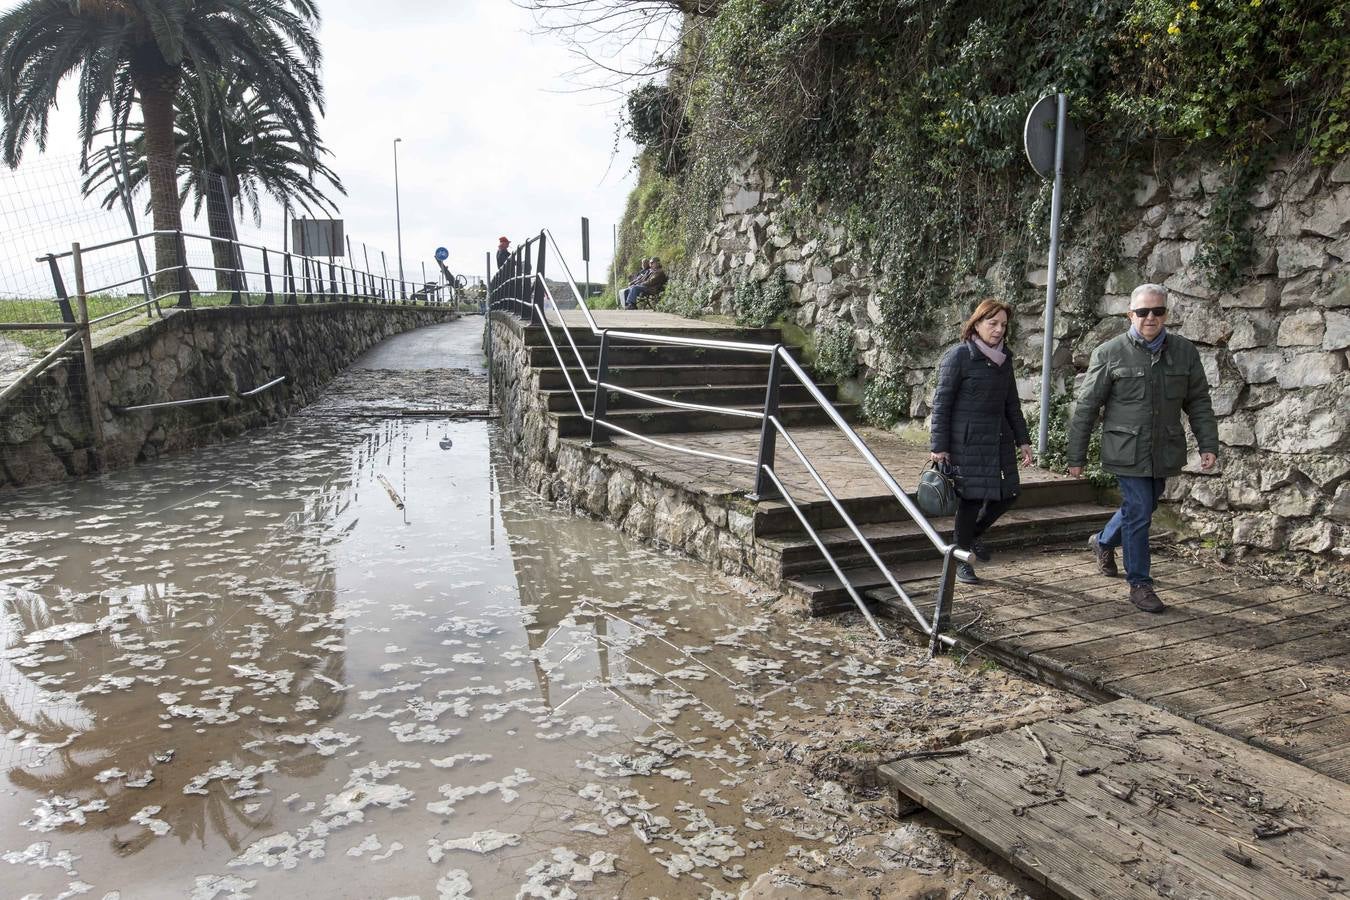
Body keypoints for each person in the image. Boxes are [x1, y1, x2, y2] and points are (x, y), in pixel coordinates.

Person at [1067, 282, 1218, 613]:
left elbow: (1199, 402)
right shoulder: (1109, 353)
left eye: (1158, 311)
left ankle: (1104, 541)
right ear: (1129, 314)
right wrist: (1075, 457)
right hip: (1125, 450)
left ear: (1165, 314)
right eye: (1143, 311)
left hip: (1163, 449)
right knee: (1138, 511)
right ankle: (1140, 584)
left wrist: (1208, 443)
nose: (1150, 317)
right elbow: (1087, 408)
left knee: (1144, 507)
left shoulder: (1184, 352)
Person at [929, 298, 1034, 584]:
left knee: (1009, 494)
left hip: (999, 441)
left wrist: (1023, 440)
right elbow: (941, 405)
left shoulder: (1004, 359)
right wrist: (939, 447)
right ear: (977, 323)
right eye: (993, 323)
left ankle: (969, 537)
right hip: (967, 443)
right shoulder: (959, 356)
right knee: (972, 499)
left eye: (1003, 325)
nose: (999, 330)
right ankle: (962, 559)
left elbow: (1012, 403)